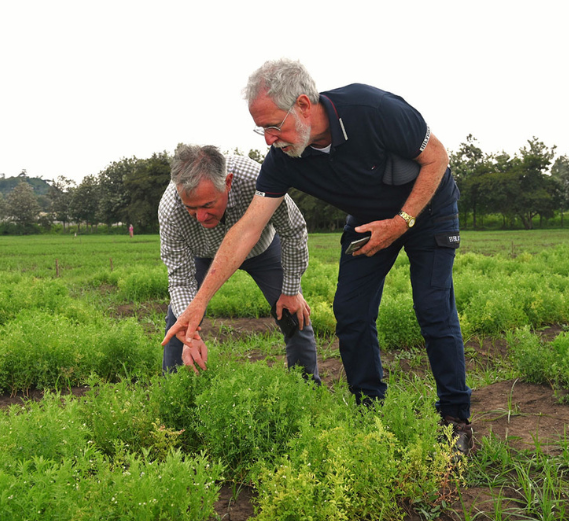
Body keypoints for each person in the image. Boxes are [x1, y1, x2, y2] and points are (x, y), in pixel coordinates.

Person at [162, 60, 473, 453]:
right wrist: (197, 305)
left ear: (304, 105)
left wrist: (401, 221)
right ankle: (368, 411)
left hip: (426, 211)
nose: (268, 140)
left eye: (274, 126)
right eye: (261, 129)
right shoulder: (283, 159)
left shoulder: (373, 109)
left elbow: (438, 158)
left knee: (432, 307)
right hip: (368, 222)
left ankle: (455, 418)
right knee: (351, 312)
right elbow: (248, 229)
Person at [158, 143, 320, 383]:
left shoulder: (255, 178)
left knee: (293, 314)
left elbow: (292, 228)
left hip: (261, 249)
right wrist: (189, 336)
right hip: (203, 255)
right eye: (191, 208)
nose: (200, 216)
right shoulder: (170, 208)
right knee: (180, 323)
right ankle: (173, 392)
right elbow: (180, 277)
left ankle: (307, 389)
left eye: (207, 205)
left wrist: (291, 289)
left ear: (228, 182)